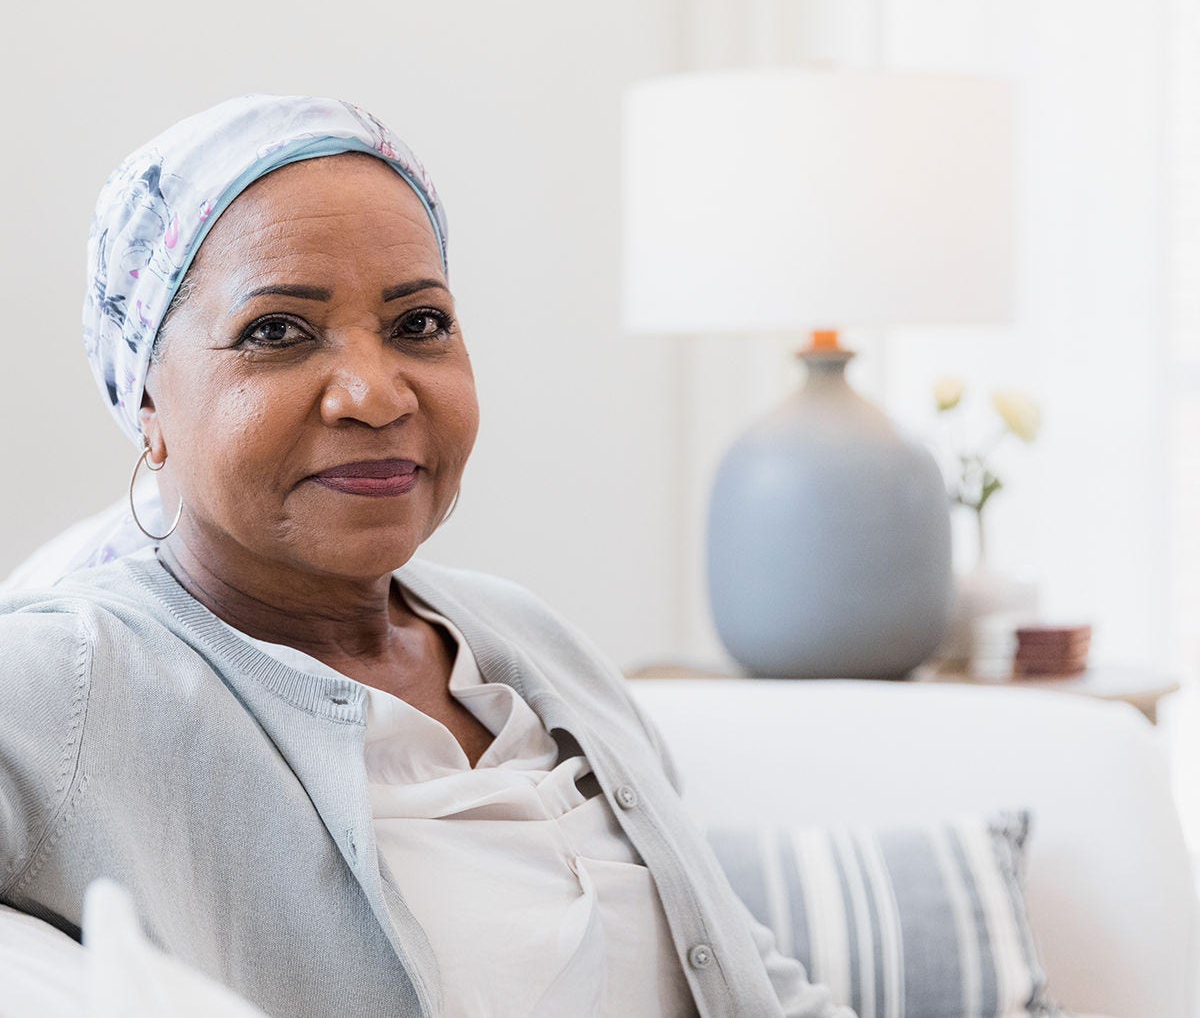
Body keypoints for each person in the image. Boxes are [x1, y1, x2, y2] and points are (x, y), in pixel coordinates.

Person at [0, 94, 855, 1017]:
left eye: (419, 325)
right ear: (149, 407)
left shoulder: (531, 639)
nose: (375, 393)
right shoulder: (77, 679)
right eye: (276, 331)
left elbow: (752, 973)